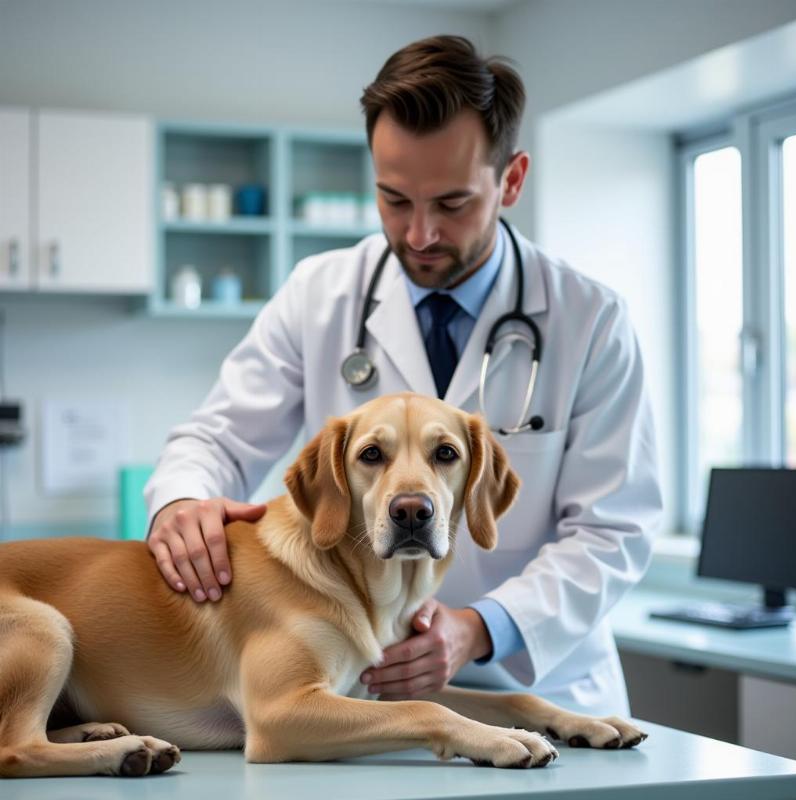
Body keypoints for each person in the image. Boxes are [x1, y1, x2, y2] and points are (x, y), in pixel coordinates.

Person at [145, 35, 662, 716]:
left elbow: (613, 529)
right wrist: (182, 502)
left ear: (511, 180)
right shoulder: (320, 293)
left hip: (538, 688)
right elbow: (216, 439)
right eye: (394, 200)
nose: (419, 234)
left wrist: (481, 628)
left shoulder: (588, 320)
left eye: (451, 204)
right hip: (362, 692)